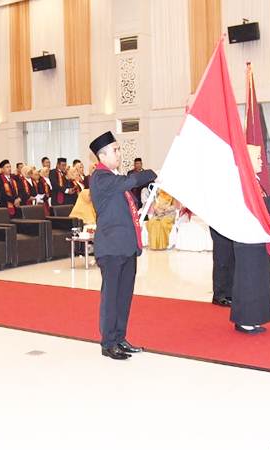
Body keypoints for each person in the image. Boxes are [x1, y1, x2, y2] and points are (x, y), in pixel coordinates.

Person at [89, 131, 157, 360]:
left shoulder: (114, 177)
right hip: (111, 248)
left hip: (126, 246)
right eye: (115, 150)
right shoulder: (101, 177)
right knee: (111, 297)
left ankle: (120, 338)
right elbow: (133, 179)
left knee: (124, 296)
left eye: (119, 149)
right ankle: (108, 343)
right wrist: (153, 173)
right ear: (102, 155)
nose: (119, 153)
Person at [212, 144, 270, 333]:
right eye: (257, 158)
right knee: (248, 280)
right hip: (248, 238)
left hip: (255, 236)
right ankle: (244, 320)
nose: (261, 162)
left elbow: (262, 202)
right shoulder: (245, 182)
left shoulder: (252, 181)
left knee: (257, 279)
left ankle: (253, 317)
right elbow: (258, 207)